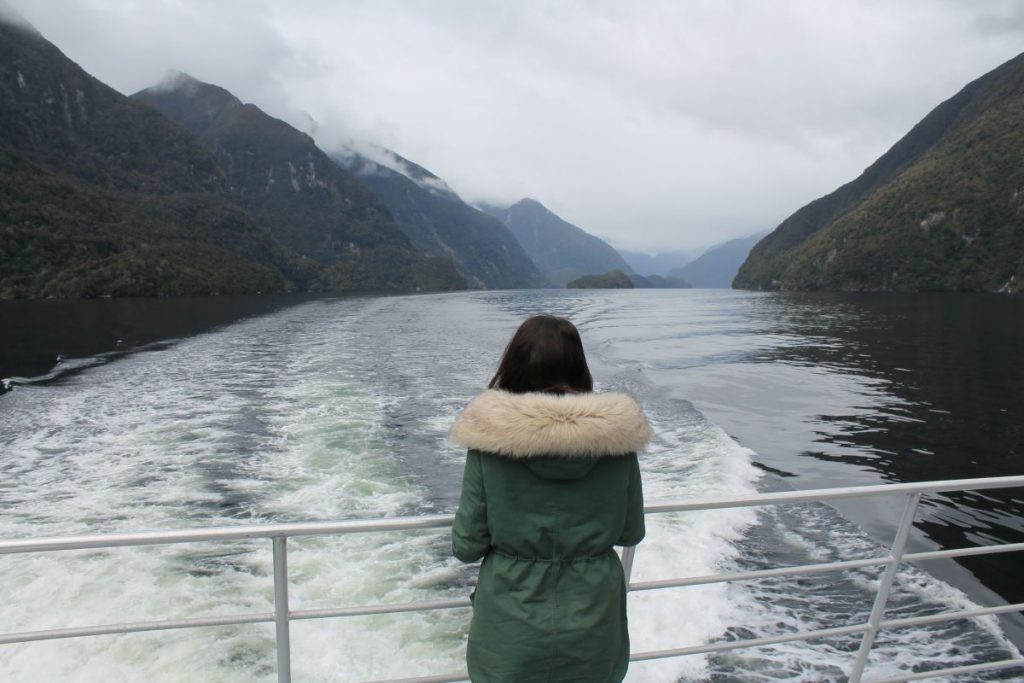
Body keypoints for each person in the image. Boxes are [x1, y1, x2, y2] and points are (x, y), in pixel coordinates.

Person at [450, 315, 650, 682]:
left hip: (510, 628)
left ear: (514, 367)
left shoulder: (489, 440)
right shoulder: (618, 440)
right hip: (594, 625)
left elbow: (467, 545)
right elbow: (630, 531)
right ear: (579, 367)